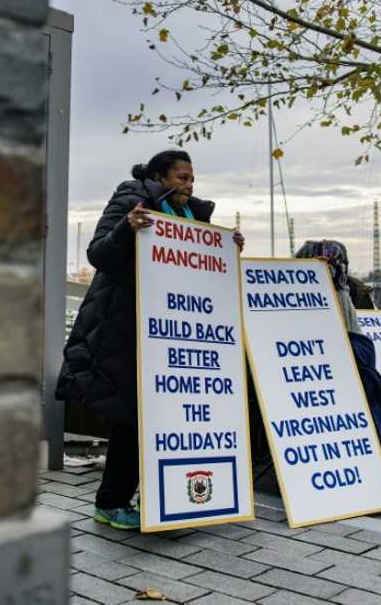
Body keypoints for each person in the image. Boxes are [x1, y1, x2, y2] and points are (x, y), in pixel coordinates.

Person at [55, 149, 243, 530]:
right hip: (127, 327)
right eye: (181, 177)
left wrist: (227, 247)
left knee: (166, 416)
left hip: (173, 334)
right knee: (132, 417)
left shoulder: (194, 216)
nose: (189, 185)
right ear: (158, 176)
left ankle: (165, 497)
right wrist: (127, 227)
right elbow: (99, 254)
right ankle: (111, 503)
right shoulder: (131, 198)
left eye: (192, 179)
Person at [295, 240, 381, 479]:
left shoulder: (351, 290)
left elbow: (360, 335)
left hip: (352, 367)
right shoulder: (292, 290)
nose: (332, 267)